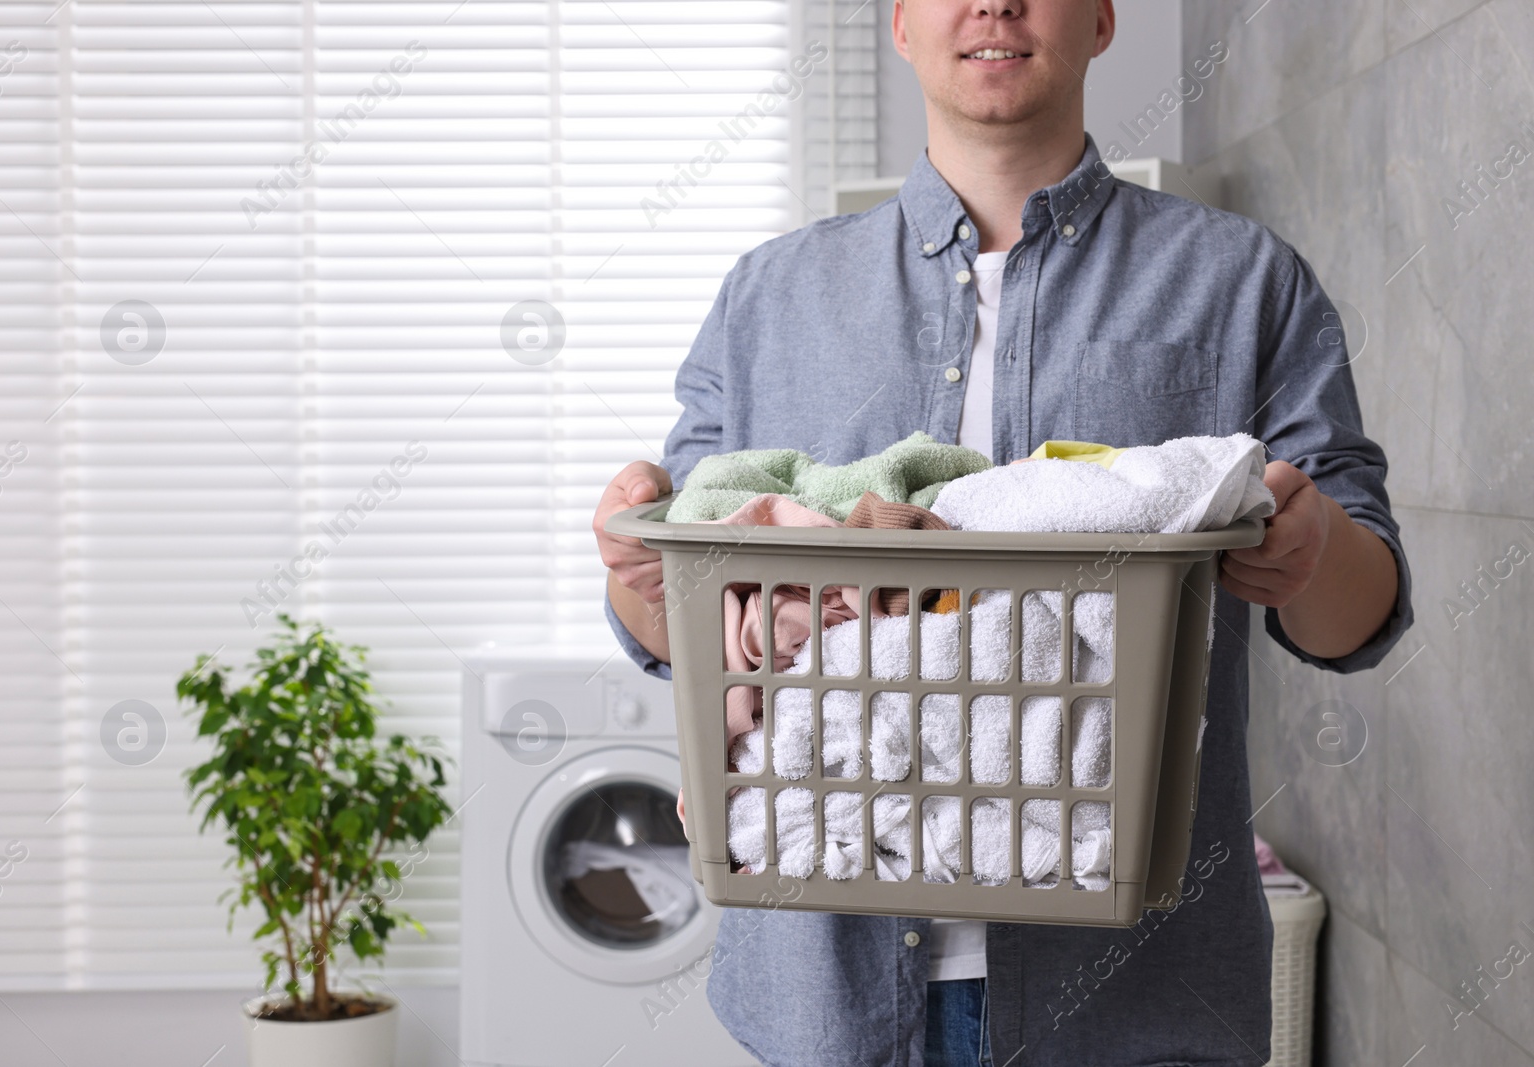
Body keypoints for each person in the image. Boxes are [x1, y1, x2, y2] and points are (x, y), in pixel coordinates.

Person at [592, 1, 1413, 1063]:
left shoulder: (1237, 280)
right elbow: (672, 626)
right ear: (898, 22)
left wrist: (1307, 549)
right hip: (820, 995)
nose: (994, 3)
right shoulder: (770, 297)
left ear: (1104, 19)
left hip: (1136, 1000)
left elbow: (1363, 612)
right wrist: (639, 574)